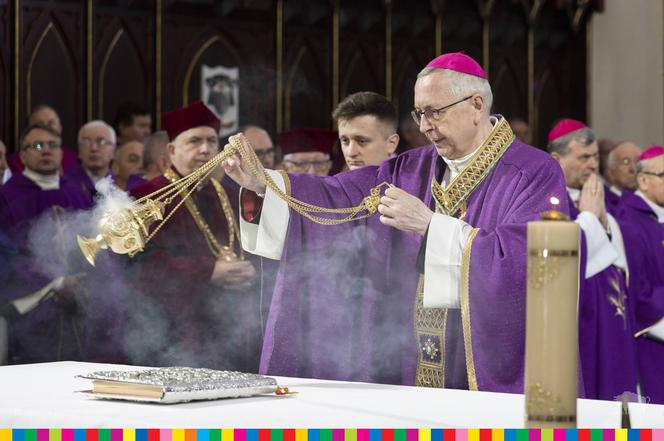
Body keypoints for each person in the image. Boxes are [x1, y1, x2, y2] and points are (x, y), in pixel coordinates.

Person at [223, 52, 568, 391]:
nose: (424, 126)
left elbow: (529, 265)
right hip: (410, 362)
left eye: (434, 112)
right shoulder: (410, 168)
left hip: (483, 369)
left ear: (477, 106)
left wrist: (430, 227)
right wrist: (263, 184)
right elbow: (338, 198)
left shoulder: (532, 172)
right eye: (419, 113)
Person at [127, 101, 262, 371]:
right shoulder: (147, 196)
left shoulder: (229, 190)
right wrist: (209, 271)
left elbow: (255, 242)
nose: (206, 149)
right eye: (195, 141)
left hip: (229, 327)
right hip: (174, 332)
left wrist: (249, 269)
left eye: (212, 141)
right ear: (171, 150)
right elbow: (140, 264)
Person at [547, 119, 639, 400]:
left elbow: (620, 266)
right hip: (580, 321)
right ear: (556, 160)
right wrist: (588, 217)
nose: (593, 165)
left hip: (611, 321)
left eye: (596, 157)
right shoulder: (546, 200)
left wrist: (603, 222)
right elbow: (562, 265)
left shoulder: (606, 201)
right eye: (584, 157)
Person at [0, 123, 93, 363]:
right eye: (38, 145)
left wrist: (82, 283)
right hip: (33, 304)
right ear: (22, 155)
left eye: (53, 145)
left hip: (78, 305)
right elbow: (8, 254)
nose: (46, 151)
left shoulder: (78, 193)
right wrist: (54, 283)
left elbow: (96, 244)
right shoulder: (8, 195)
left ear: (62, 153)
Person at [615, 146, 664, 404]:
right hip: (652, 340)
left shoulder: (659, 216)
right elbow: (637, 291)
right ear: (643, 180)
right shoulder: (628, 221)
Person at [333, 91, 399, 170]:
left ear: (391, 143)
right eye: (345, 140)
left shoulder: (412, 181)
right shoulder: (337, 180)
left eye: (361, 141)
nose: (351, 153)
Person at [7, 105, 78, 175]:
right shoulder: (15, 162)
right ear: (29, 130)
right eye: (40, 124)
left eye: (51, 123)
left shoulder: (71, 157)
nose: (46, 127)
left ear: (60, 128)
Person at [66, 120, 117, 198]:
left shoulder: (121, 185)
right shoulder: (66, 186)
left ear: (113, 150)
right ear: (79, 150)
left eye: (101, 141)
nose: (93, 148)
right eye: (86, 142)